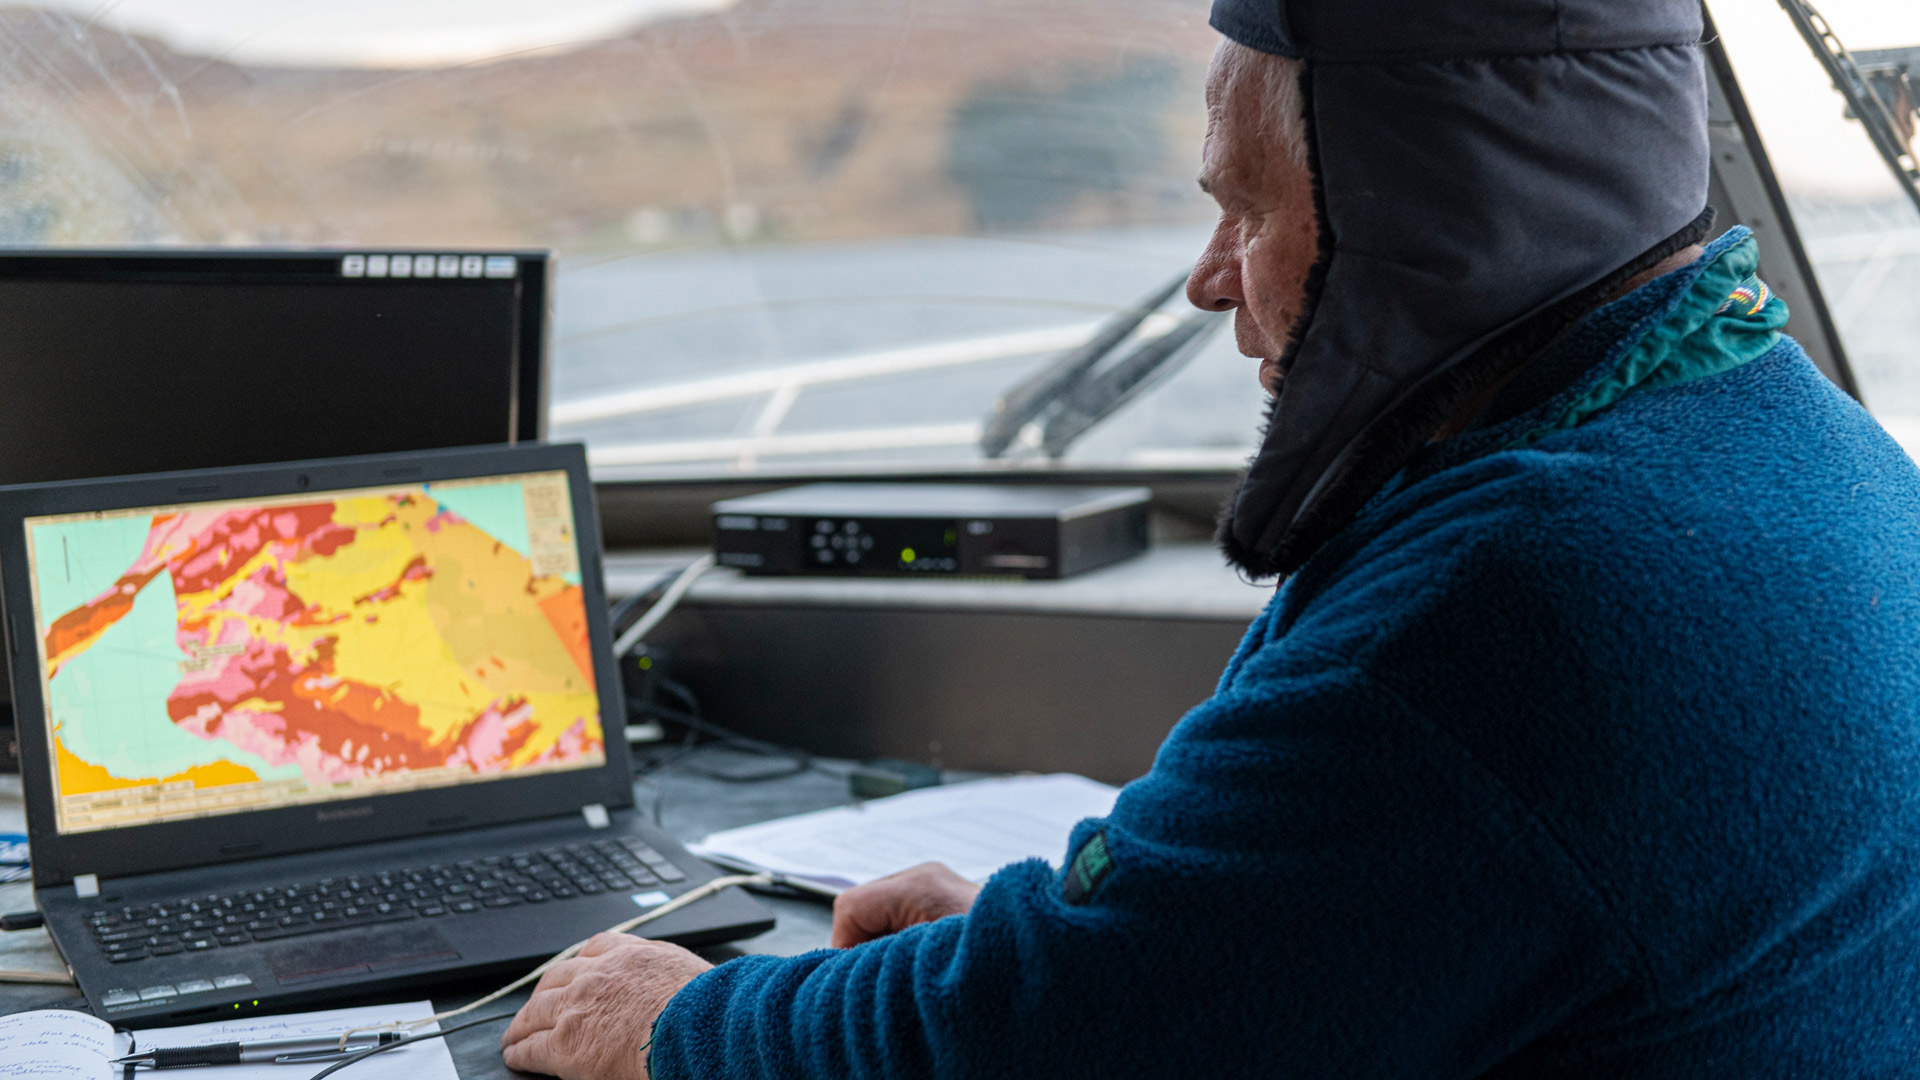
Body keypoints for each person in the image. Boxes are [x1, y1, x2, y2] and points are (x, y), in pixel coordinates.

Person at [502, 0, 1920, 1075]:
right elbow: (1304, 931)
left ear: (1430, 215)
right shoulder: (1800, 445)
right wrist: (1061, 922)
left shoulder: (1521, 593)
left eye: (1249, 204)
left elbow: (1070, 1039)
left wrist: (684, 1024)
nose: (1206, 279)